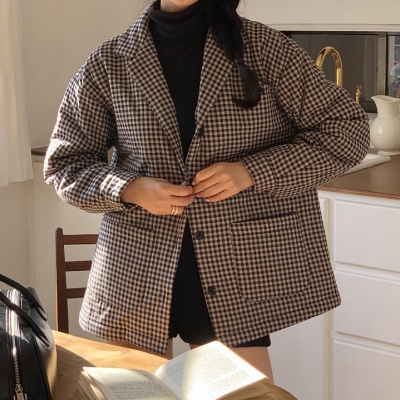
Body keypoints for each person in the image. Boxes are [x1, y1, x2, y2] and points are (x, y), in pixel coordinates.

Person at [44, 0, 370, 381]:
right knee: (139, 393)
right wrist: (130, 188)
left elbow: (347, 130)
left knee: (243, 395)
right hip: (138, 272)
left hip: (235, 270)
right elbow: (64, 164)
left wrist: (251, 171)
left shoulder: (264, 48)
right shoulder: (110, 62)